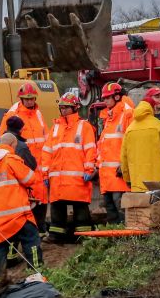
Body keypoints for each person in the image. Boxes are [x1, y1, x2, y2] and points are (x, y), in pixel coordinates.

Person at [0, 133, 43, 280]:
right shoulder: (10, 160)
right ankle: (36, 273)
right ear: (13, 145)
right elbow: (30, 179)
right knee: (31, 239)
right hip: (17, 214)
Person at [43, 92, 97, 242]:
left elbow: (90, 149)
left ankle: (83, 236)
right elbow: (47, 152)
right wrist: (45, 173)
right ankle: (55, 235)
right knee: (57, 208)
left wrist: (89, 169)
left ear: (75, 108)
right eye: (62, 108)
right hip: (57, 178)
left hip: (77, 178)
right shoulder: (55, 128)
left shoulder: (84, 126)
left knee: (80, 207)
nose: (64, 110)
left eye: (67, 107)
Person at [0, 83, 49, 230]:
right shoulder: (12, 114)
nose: (30, 102)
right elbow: (5, 139)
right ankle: (29, 229)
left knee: (41, 197)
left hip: (39, 165)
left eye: (32, 98)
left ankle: (40, 229)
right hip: (22, 164)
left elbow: (46, 137)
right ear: (21, 99)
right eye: (26, 99)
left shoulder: (38, 114)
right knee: (26, 199)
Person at [121, 99, 160, 192]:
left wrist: (127, 179)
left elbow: (124, 157)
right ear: (152, 108)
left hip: (137, 184)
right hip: (158, 184)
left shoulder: (129, 129)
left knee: (140, 206)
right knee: (158, 206)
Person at [96, 82, 134, 223]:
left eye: (107, 98)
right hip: (107, 174)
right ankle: (116, 238)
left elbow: (131, 143)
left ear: (117, 97)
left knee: (121, 208)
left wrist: (125, 165)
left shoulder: (127, 114)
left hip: (119, 174)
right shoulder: (109, 117)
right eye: (104, 98)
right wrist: (98, 165)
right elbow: (103, 144)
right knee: (111, 209)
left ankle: (125, 241)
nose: (105, 101)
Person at [4, 116, 48, 232]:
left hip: (0, 190)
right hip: (16, 187)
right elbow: (31, 164)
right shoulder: (21, 146)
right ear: (20, 129)